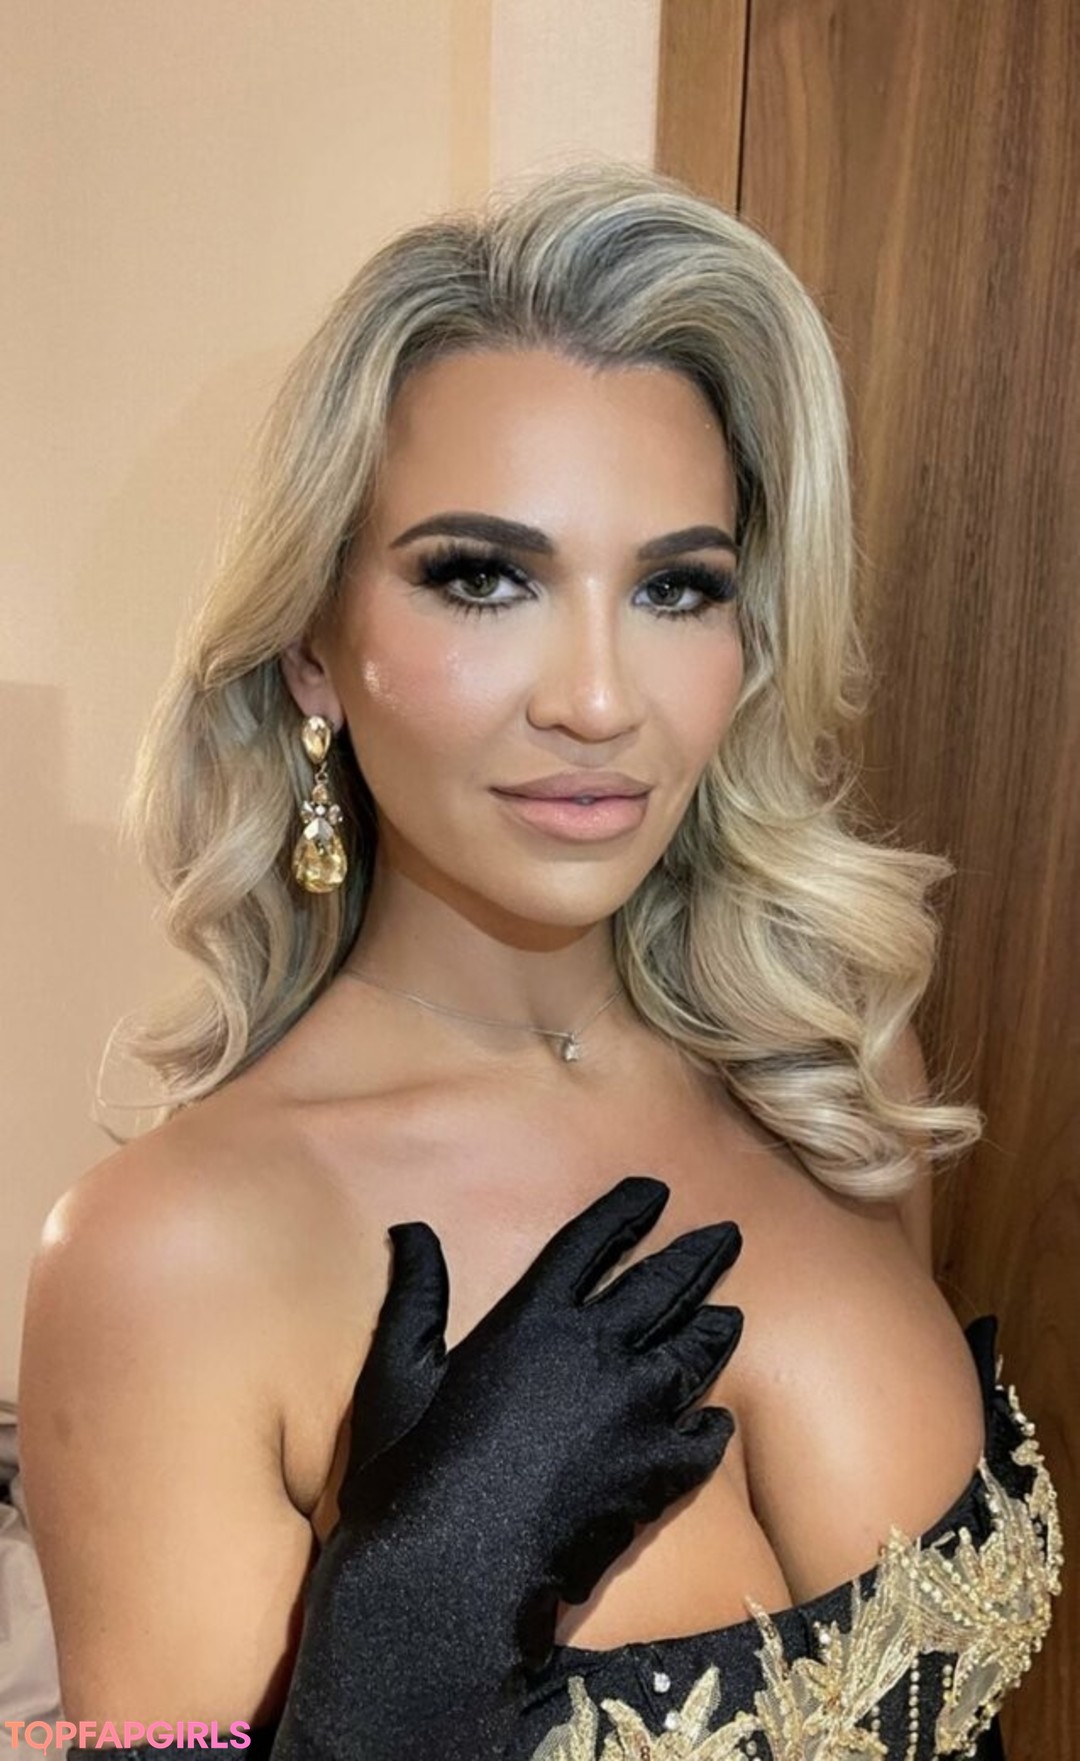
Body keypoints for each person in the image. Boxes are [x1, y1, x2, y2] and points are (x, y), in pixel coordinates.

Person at [18, 161, 1060, 1759]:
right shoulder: (168, 1258)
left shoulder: (828, 1062)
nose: (597, 697)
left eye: (675, 586)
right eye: (483, 576)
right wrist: (408, 1626)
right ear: (313, 644)